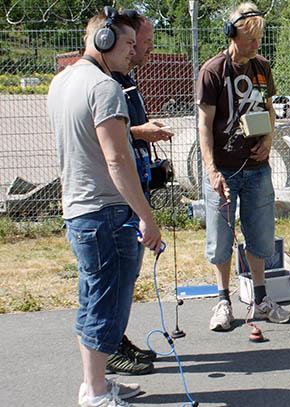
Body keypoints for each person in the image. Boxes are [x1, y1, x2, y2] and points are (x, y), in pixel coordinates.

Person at [48, 7, 162, 406]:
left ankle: (93, 383)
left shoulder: (60, 83)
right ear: (104, 41)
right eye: (129, 44)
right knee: (106, 303)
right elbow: (117, 159)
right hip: (108, 213)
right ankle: (95, 394)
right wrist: (146, 217)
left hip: (79, 210)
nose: (133, 52)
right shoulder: (104, 87)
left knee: (94, 297)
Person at [196, 2, 290, 332]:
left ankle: (261, 299)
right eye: (250, 40)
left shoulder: (262, 67)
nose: (256, 46)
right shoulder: (213, 71)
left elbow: (269, 110)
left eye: (259, 39)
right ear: (232, 35)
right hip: (223, 170)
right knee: (221, 239)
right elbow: (204, 125)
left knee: (261, 236)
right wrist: (211, 169)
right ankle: (223, 300)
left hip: (257, 169)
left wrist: (268, 139)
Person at [106, 10, 173, 377]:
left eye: (142, 43)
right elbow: (107, 140)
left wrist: (145, 137)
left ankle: (115, 337)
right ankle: (109, 347)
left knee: (128, 274)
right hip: (117, 200)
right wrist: (139, 132)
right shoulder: (105, 84)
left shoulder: (126, 80)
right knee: (115, 275)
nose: (141, 50)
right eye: (137, 44)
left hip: (136, 187)